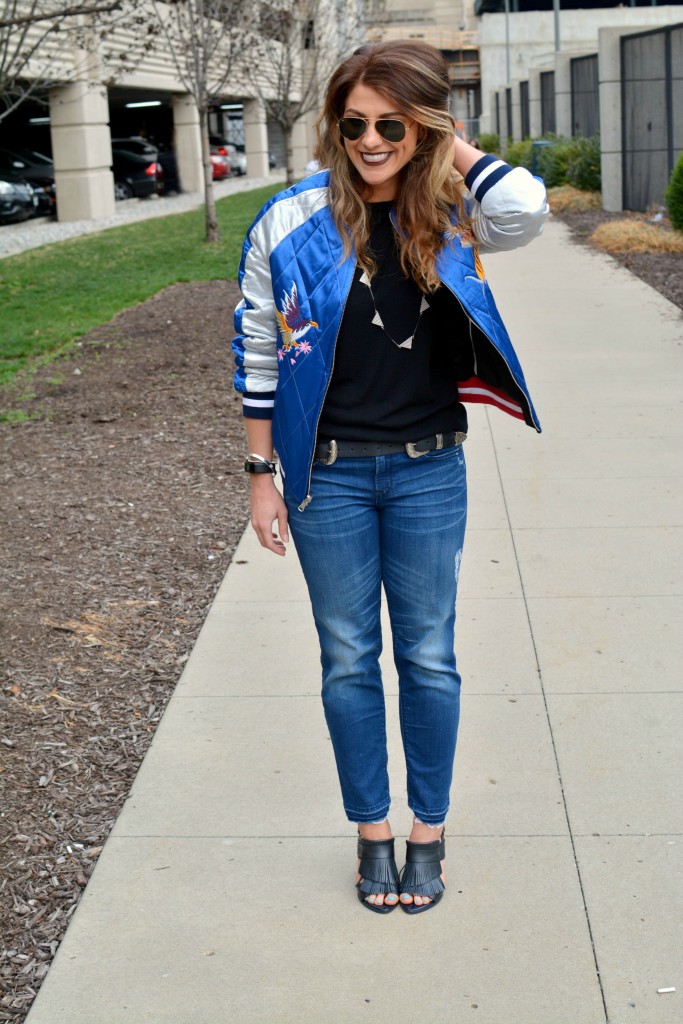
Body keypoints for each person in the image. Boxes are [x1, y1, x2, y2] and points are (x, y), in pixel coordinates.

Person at [233, 40, 547, 914]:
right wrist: (262, 476)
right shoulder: (288, 220)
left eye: (392, 124)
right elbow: (257, 354)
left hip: (425, 471)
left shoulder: (450, 212)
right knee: (347, 660)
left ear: (424, 126)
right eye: (355, 122)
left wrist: (447, 150)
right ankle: (372, 831)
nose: (371, 139)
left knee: (430, 658)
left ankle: (428, 833)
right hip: (326, 479)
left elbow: (525, 208)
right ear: (335, 125)